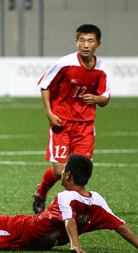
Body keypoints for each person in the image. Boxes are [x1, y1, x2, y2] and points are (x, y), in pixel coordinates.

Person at [0, 155, 138, 253]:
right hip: (43, 240)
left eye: (64, 169)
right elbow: (121, 225)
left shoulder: (65, 197)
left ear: (68, 174)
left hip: (26, 231)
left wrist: (75, 245)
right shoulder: (97, 200)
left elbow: (70, 221)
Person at [33, 24, 111, 214]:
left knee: (79, 173)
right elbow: (45, 85)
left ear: (98, 44)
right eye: (82, 40)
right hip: (61, 123)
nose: (85, 45)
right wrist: (50, 114)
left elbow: (106, 98)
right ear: (76, 42)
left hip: (85, 127)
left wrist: (97, 98)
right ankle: (41, 191)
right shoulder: (65, 63)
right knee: (61, 172)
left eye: (90, 41)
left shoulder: (102, 68)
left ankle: (70, 210)